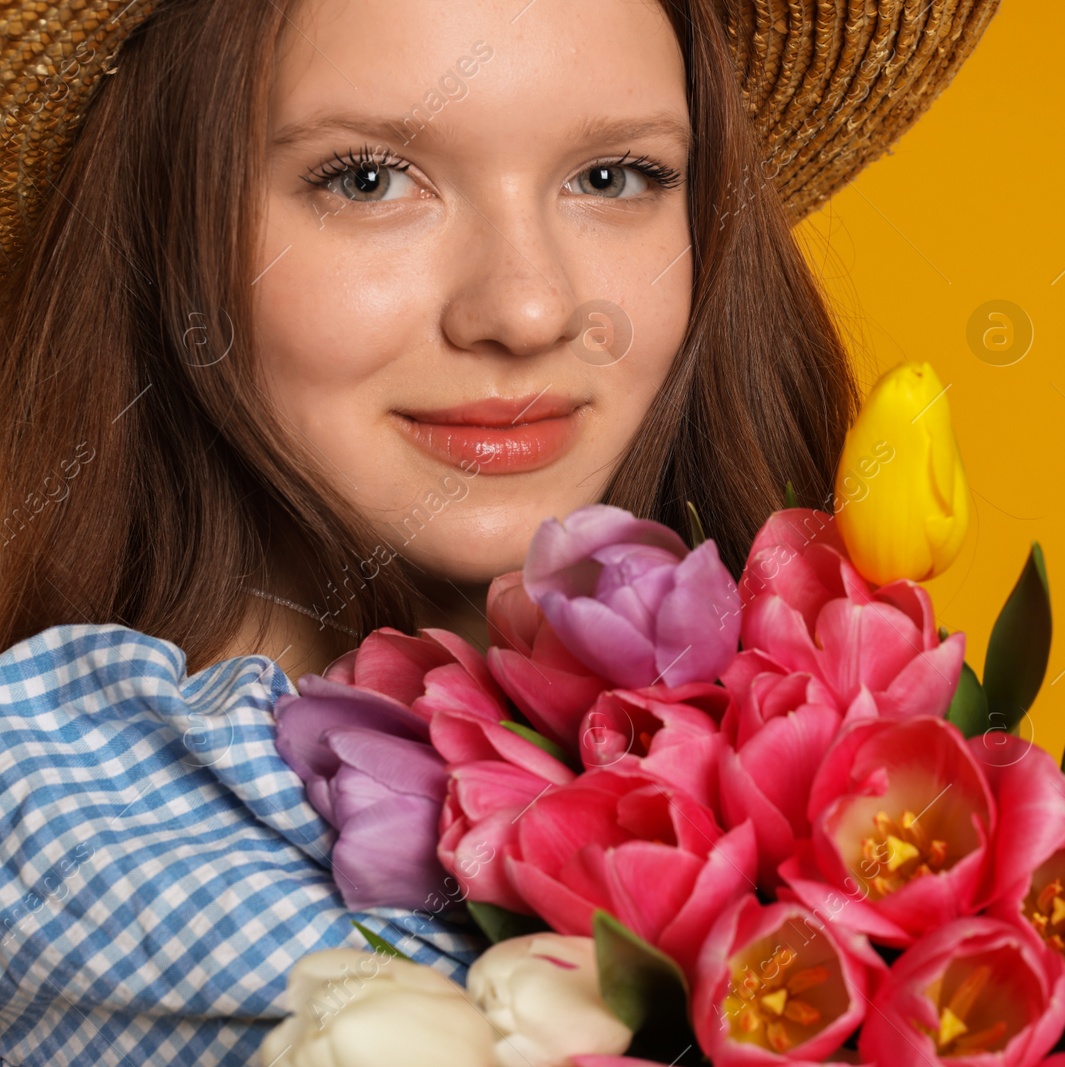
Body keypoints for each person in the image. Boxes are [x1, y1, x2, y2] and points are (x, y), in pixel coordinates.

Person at [0, 0, 999, 1062]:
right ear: (162, 227)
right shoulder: (65, 813)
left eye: (613, 177)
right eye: (369, 178)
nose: (527, 309)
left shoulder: (853, 774)